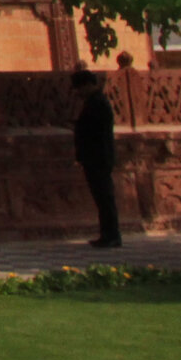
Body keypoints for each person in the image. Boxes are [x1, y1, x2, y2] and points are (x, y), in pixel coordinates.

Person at [71, 67, 120, 247]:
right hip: (95, 158)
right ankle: (108, 234)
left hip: (99, 158)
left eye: (79, 88)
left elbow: (94, 132)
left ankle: (112, 235)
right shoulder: (94, 102)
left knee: (105, 198)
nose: (78, 93)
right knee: (102, 198)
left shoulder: (98, 103)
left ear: (87, 85)